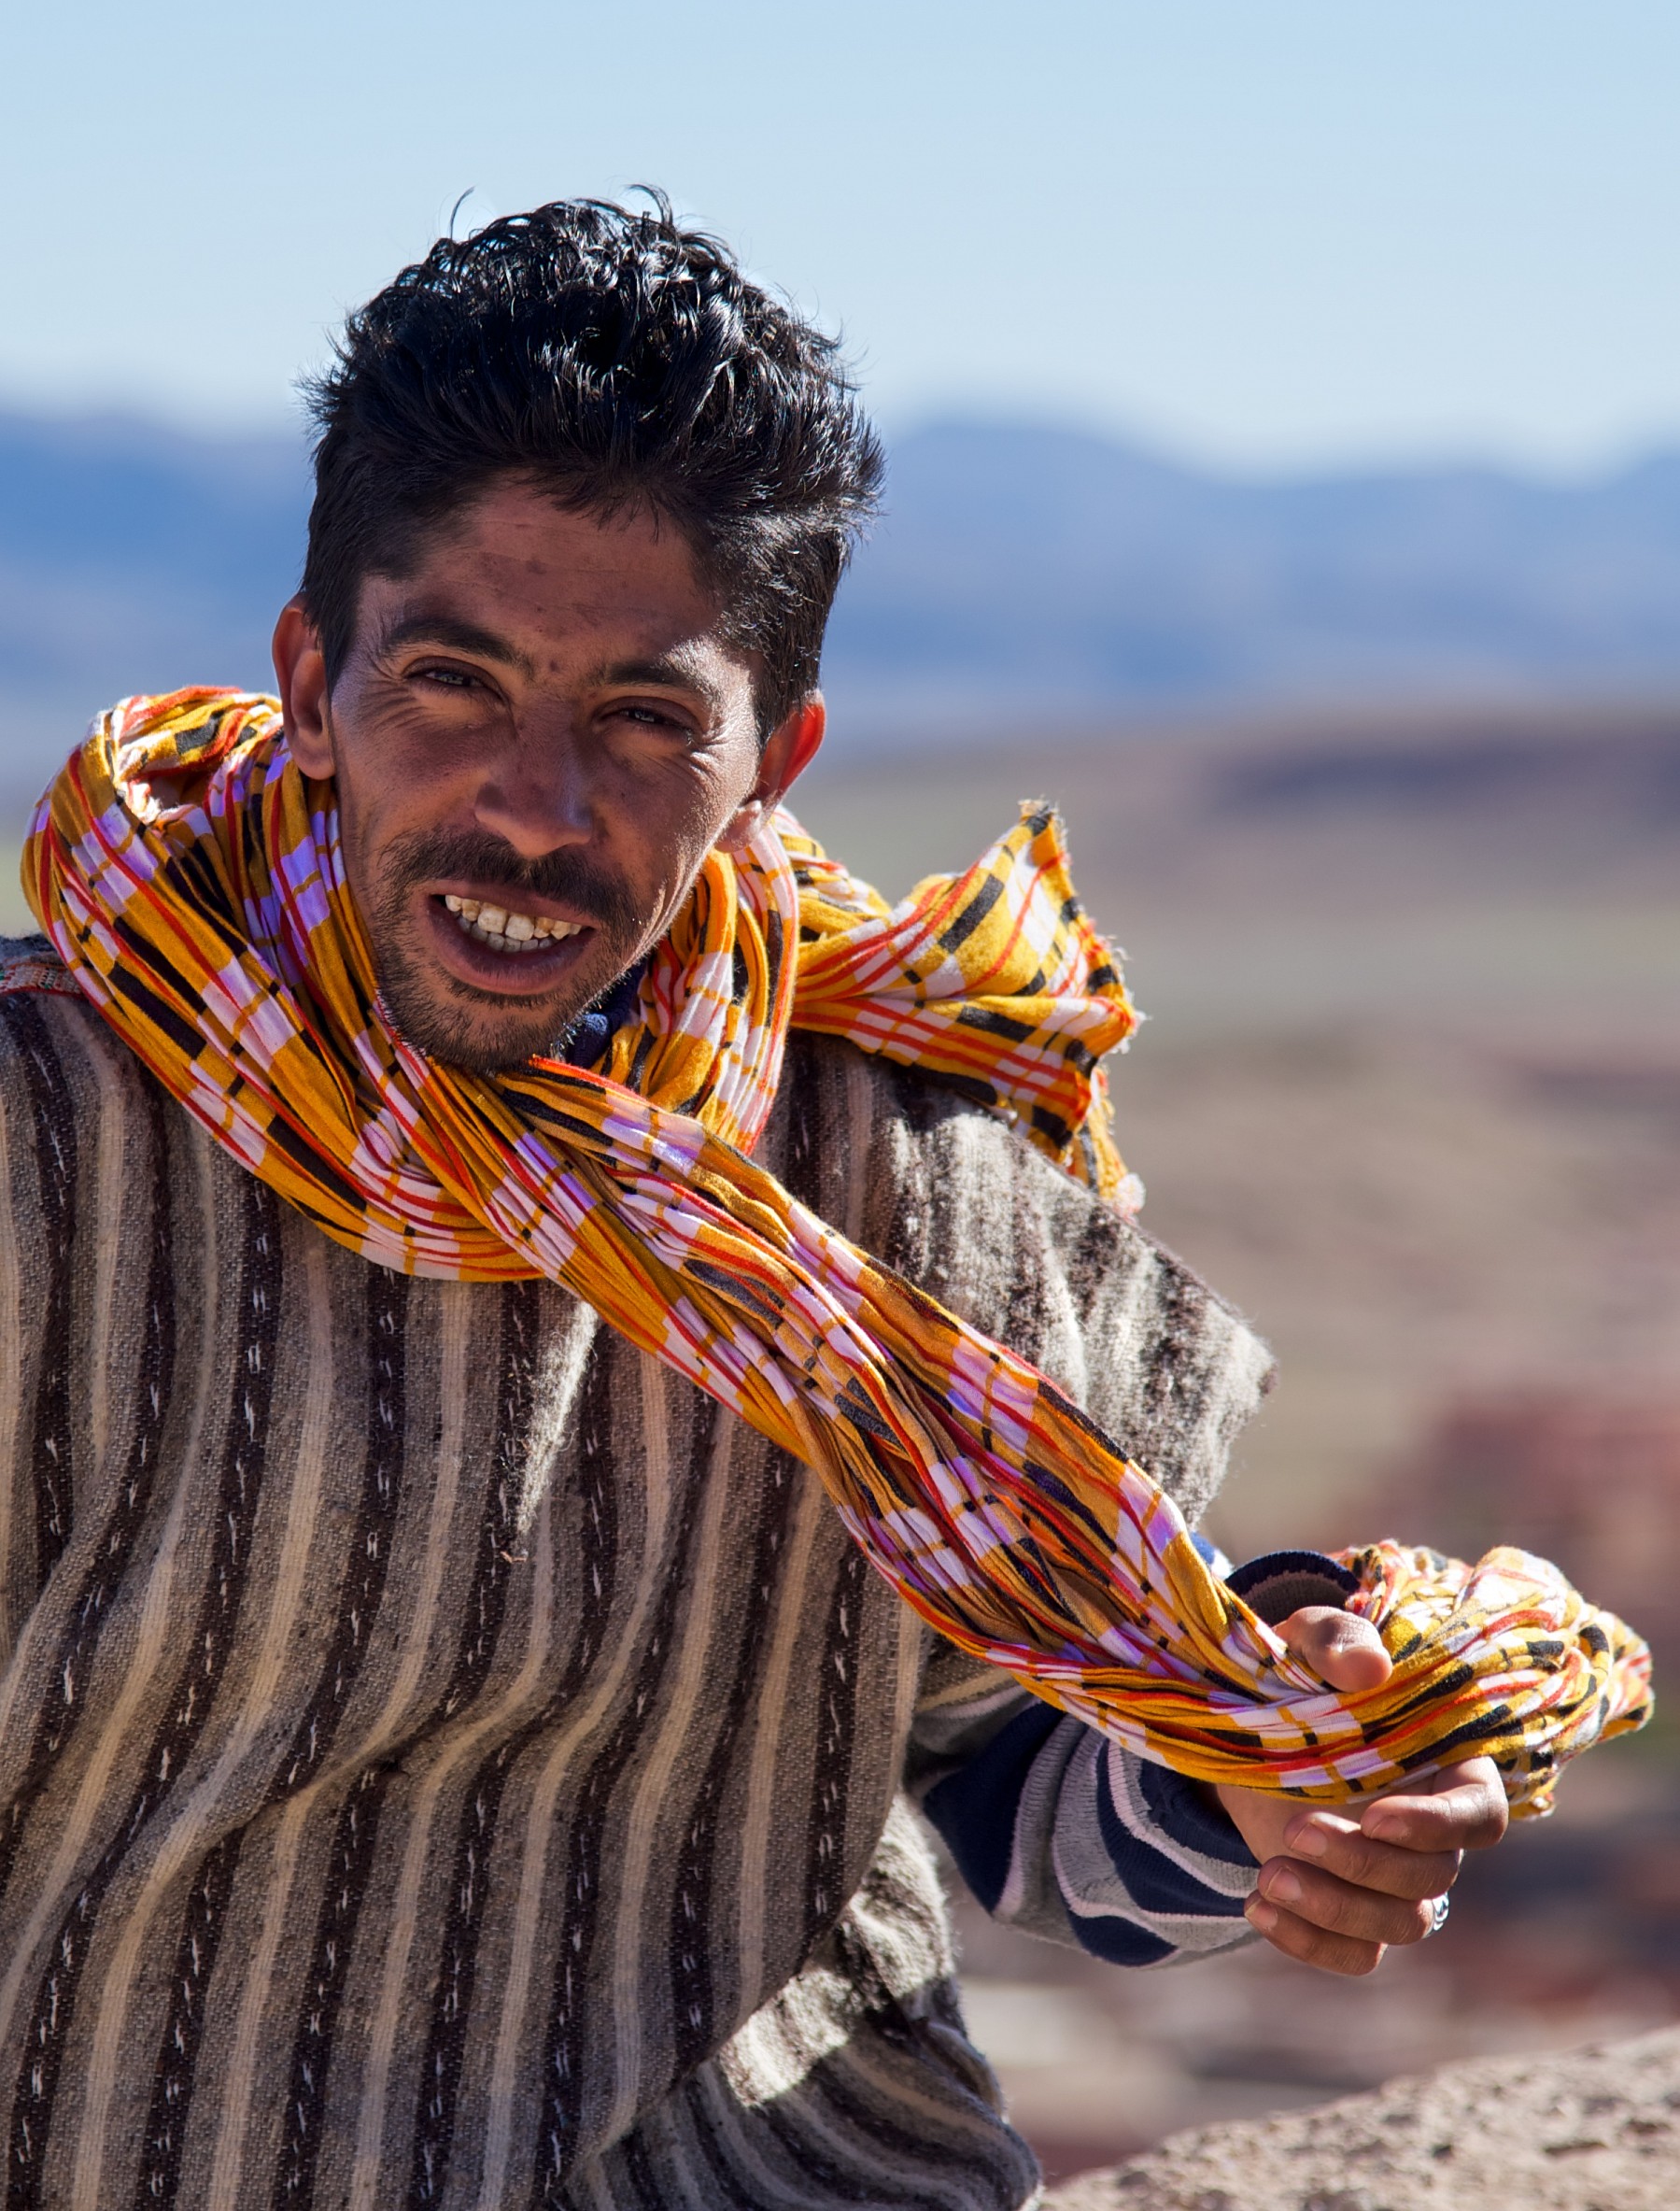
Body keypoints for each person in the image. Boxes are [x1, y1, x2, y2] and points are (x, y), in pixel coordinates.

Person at [0, 197, 1510, 2210]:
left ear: (774, 758)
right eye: (451, 684)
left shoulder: (921, 1194)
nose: (534, 808)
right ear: (308, 676)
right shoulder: (45, 1143)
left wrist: (1281, 1782)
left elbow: (1019, 1770)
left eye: (643, 719)